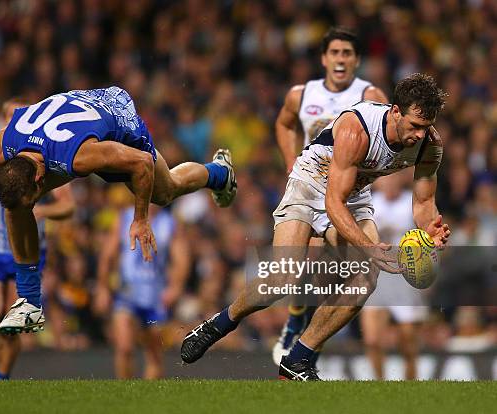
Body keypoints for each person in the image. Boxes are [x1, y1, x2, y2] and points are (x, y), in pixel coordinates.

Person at [0, 86, 236, 334]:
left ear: (41, 176)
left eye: (36, 195)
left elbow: (139, 163)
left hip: (118, 118)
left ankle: (219, 172)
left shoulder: (79, 155)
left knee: (166, 191)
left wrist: (140, 218)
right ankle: (29, 300)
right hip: (74, 122)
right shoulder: (0, 145)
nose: (34, 202)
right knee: (14, 209)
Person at [181, 73, 451, 381]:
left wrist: (431, 227)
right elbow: (332, 204)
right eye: (414, 125)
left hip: (353, 193)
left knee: (365, 278)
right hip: (310, 183)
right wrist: (370, 247)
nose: (419, 134)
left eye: (426, 127)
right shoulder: (357, 129)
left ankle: (298, 359)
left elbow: (423, 202)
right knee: (283, 277)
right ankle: (219, 324)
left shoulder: (430, 145)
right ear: (395, 111)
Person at [272, 27, 388, 366]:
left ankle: (304, 332)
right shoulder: (301, 94)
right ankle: (297, 321)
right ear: (324, 59)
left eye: (347, 53)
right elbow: (284, 123)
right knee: (302, 259)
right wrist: (290, 162)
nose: (341, 59)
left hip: (346, 192)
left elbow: (383, 141)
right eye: (335, 53)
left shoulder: (370, 93)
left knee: (337, 271)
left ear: (357, 61)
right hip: (311, 186)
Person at [0, 98, 74, 379]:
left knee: (12, 325)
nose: (11, 121)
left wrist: (41, 210)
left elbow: (68, 206)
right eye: (7, 116)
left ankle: (1, 381)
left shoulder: (42, 156)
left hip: (28, 250)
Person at [95, 204, 189, 379]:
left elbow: (181, 260)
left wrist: (175, 287)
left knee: (154, 354)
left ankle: (147, 400)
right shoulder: (124, 218)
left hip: (155, 295)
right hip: (127, 292)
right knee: (124, 347)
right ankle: (125, 394)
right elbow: (107, 255)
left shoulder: (169, 224)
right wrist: (103, 288)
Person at [360, 171, 428, 380]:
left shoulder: (412, 203)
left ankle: (411, 384)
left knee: (407, 340)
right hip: (376, 276)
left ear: (401, 179)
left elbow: (427, 239)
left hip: (404, 277)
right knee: (372, 340)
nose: (389, 183)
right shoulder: (369, 204)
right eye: (385, 179)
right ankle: (379, 384)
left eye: (393, 178)